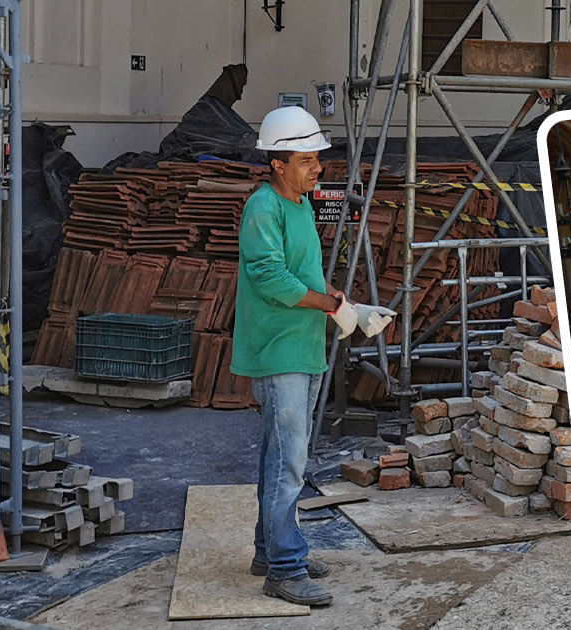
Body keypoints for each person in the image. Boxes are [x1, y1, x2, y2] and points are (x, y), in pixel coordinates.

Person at [235, 106, 395, 607]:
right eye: (306, 160)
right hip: (277, 350)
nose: (318, 168)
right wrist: (331, 306)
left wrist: (348, 306)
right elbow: (271, 279)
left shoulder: (300, 206)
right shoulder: (264, 207)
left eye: (317, 159)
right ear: (278, 164)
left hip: (300, 348)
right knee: (290, 462)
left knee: (278, 456)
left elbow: (303, 274)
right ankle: (284, 568)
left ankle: (270, 552)